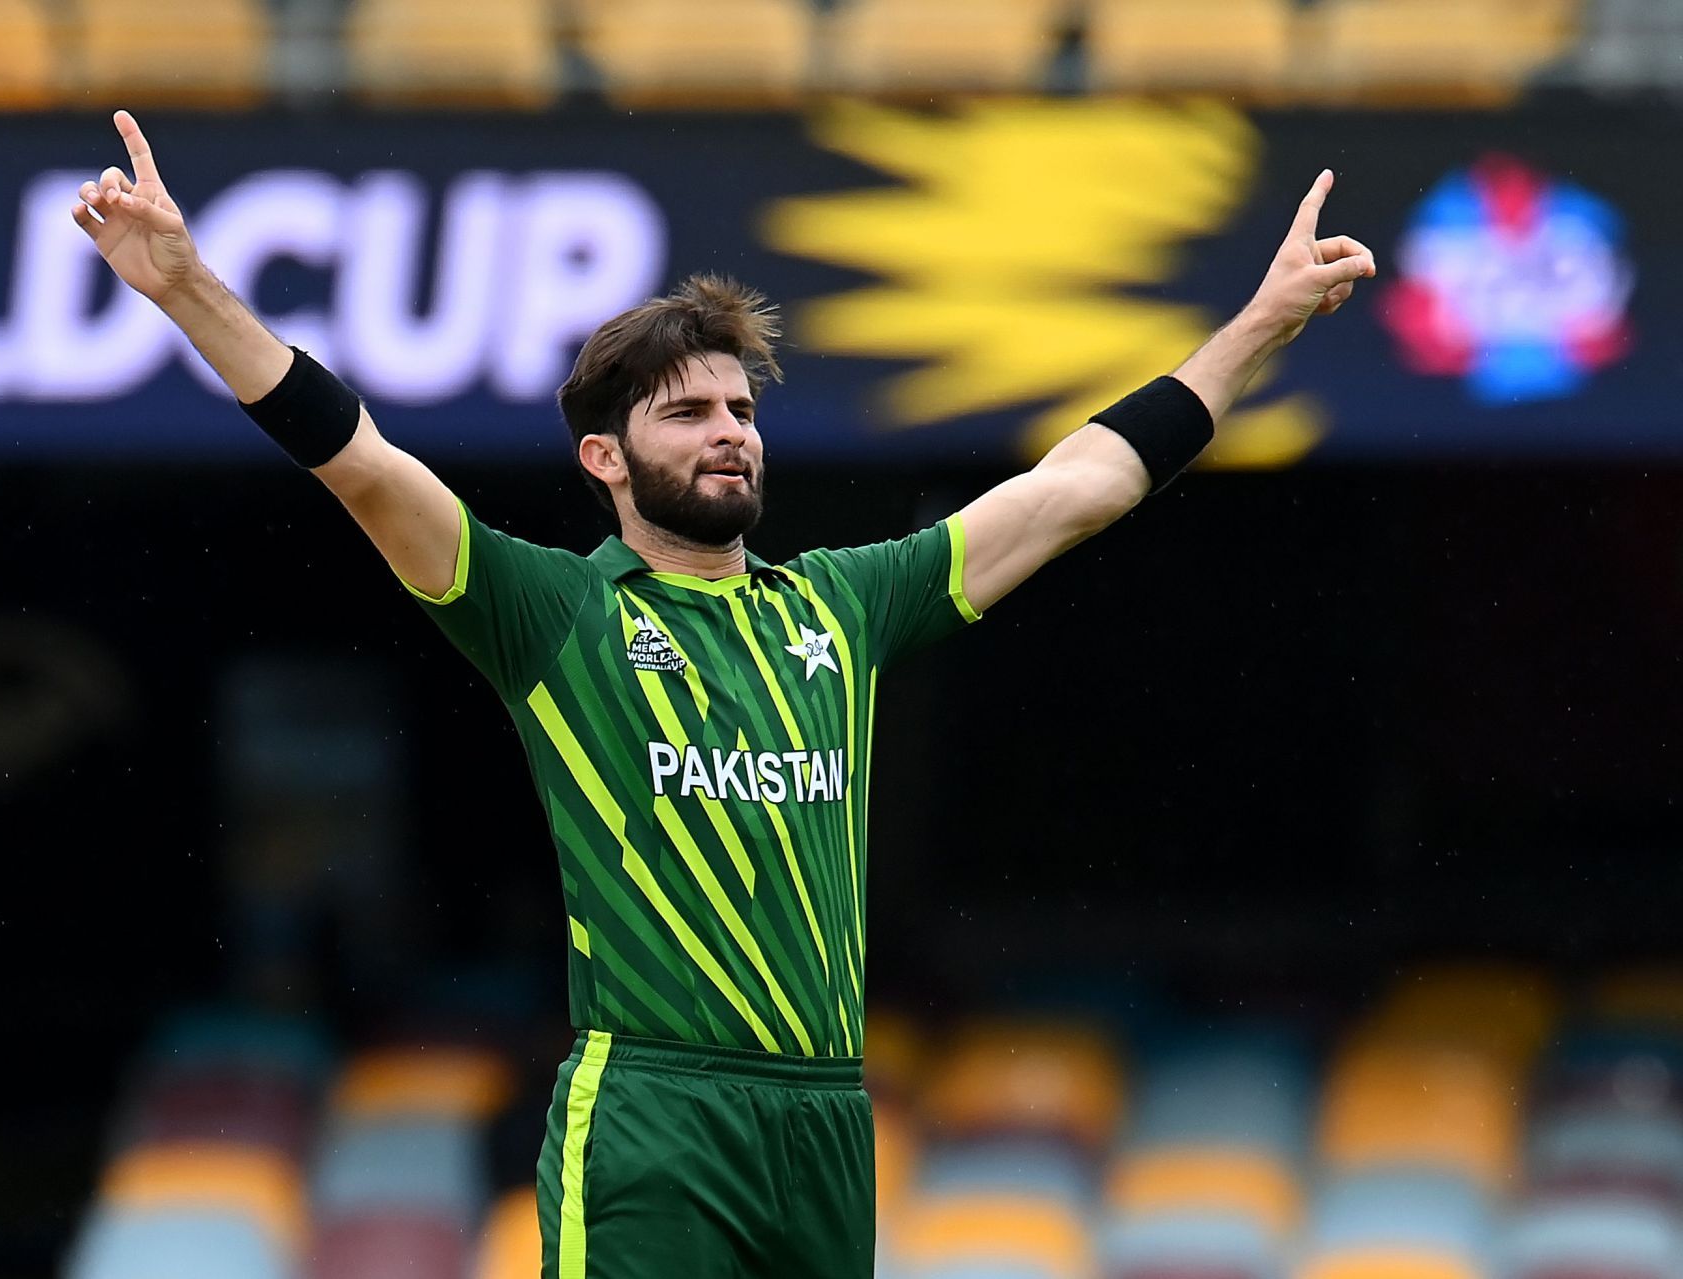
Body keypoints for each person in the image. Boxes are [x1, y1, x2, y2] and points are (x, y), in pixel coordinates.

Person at [72, 109, 1374, 1279]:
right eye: (688, 412)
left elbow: (1075, 489)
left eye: (740, 407)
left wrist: (1257, 326)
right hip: (651, 1110)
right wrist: (189, 291)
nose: (729, 429)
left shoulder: (842, 605)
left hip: (821, 1113)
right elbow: (362, 466)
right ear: (607, 458)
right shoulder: (554, 615)